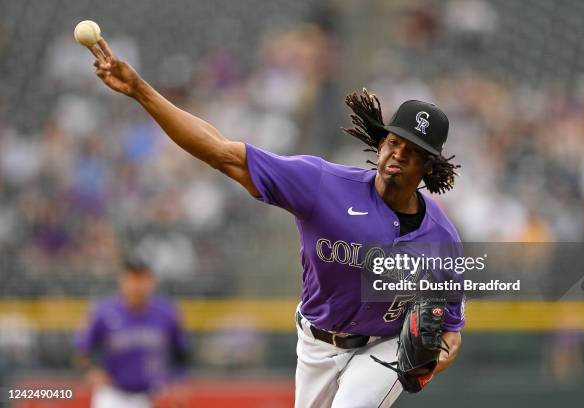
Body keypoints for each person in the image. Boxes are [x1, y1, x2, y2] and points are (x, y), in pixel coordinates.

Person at [86, 37, 463, 407]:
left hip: (385, 346)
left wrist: (432, 361)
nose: (397, 154)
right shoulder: (322, 184)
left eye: (412, 152)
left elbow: (450, 332)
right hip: (316, 343)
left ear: (428, 166)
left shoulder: (442, 240)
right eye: (394, 142)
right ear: (381, 144)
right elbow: (221, 153)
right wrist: (140, 90)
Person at [74, 255, 190, 408]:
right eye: (132, 278)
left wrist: (180, 381)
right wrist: (90, 371)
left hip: (154, 395)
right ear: (122, 280)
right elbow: (82, 349)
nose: (137, 285)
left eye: (142, 278)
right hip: (113, 395)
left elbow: (181, 352)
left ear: (152, 281)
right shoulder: (103, 311)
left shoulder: (166, 312)